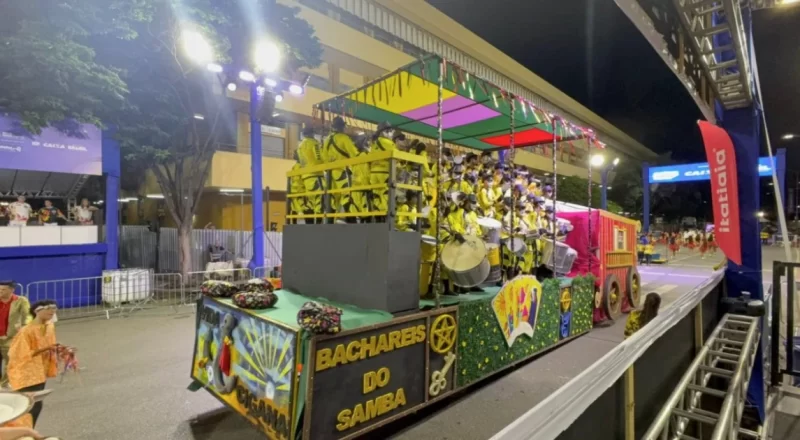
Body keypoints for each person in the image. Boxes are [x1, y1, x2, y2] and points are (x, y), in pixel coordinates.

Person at [7, 300, 59, 427]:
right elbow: (17, 354)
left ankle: (28, 432)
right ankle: (23, 433)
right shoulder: (26, 331)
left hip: (40, 371)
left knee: (36, 404)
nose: (52, 311)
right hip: (26, 373)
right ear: (37, 311)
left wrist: (60, 350)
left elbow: (50, 345)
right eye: (49, 308)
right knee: (29, 406)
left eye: (54, 308)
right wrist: (46, 349)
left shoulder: (49, 326)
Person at [323, 117, 359, 219]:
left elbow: (323, 157)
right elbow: (354, 154)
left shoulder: (327, 140)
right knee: (347, 196)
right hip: (342, 171)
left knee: (333, 199)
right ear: (342, 127)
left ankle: (330, 224)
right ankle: (351, 222)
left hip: (330, 174)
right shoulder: (344, 138)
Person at [0, 282, 30, 383]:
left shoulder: (21, 301)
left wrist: (25, 328)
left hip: (10, 337)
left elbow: (28, 316)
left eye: (3, 289)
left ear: (12, 290)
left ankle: (4, 384)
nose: (0, 291)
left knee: (11, 363)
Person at [369, 122, 398, 219]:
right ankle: (387, 221)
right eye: (390, 132)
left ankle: (378, 220)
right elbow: (397, 155)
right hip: (384, 173)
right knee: (386, 196)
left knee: (377, 197)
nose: (391, 134)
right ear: (385, 132)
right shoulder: (387, 142)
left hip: (373, 173)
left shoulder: (374, 143)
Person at [297, 126, 325, 222]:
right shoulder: (314, 143)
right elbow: (319, 158)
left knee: (311, 202)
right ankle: (318, 226)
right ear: (311, 133)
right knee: (320, 201)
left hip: (306, 177)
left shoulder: (300, 146)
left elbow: (302, 162)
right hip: (316, 176)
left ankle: (309, 225)